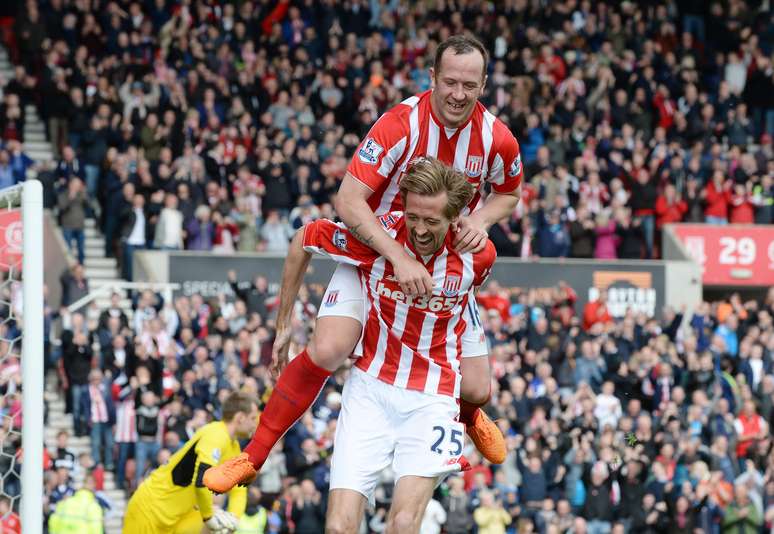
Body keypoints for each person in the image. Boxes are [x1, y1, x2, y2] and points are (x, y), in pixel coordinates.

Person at [206, 34, 522, 492]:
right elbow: (349, 200)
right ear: (432, 78)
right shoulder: (399, 126)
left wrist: (481, 218)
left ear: (484, 84)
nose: (458, 94)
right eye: (449, 82)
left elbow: (510, 191)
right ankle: (252, 456)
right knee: (330, 348)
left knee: (477, 387)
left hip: (442, 262)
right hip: (376, 251)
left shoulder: (496, 137)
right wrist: (395, 255)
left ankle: (470, 413)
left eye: (469, 85)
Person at [207, 158, 497, 533]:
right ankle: (253, 454)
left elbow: (466, 307)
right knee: (338, 528)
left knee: (404, 524)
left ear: (455, 219)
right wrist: (283, 327)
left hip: (432, 397)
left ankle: (470, 414)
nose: (420, 230)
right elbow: (304, 240)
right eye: (413, 217)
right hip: (370, 391)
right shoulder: (375, 240)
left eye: (432, 221)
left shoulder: (479, 256)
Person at [123, 391, 258, 534]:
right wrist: (208, 517)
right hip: (150, 511)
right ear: (240, 417)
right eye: (253, 418)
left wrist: (234, 518)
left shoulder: (234, 447)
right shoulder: (215, 434)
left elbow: (239, 490)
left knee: (220, 527)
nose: (256, 423)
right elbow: (201, 481)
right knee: (213, 524)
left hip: (178, 517)